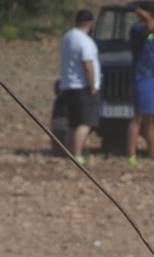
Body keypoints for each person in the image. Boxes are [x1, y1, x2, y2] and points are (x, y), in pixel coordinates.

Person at [57, 9, 102, 164]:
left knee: (73, 123)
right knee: (85, 123)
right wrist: (93, 86)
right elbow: (88, 65)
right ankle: (77, 155)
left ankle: (70, 153)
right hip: (83, 86)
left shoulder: (67, 37)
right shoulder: (85, 41)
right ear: (90, 23)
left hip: (68, 85)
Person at [127, 3, 154, 165]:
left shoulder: (153, 23)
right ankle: (131, 154)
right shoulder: (137, 29)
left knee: (151, 119)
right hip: (143, 78)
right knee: (138, 117)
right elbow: (152, 27)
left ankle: (153, 152)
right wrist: (143, 13)